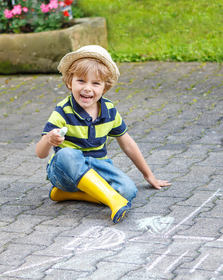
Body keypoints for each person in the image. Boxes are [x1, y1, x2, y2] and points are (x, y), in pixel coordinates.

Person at [35, 45, 171, 223]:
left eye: (95, 83)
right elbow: (40, 153)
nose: (87, 89)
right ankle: (112, 200)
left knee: (129, 191)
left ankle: (67, 195)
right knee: (67, 154)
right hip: (64, 173)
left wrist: (148, 175)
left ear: (104, 88)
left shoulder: (109, 110)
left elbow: (127, 143)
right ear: (70, 82)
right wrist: (49, 139)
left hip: (97, 166)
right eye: (81, 81)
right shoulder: (63, 110)